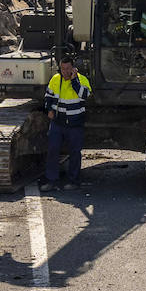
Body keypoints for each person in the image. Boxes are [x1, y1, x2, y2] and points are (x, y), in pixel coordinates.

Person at [41, 56, 91, 192]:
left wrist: (74, 80)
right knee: (52, 150)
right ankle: (51, 181)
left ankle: (73, 181)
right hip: (58, 122)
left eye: (68, 69)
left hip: (75, 124)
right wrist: (49, 110)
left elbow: (85, 95)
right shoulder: (56, 79)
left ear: (73, 68)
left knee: (75, 152)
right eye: (63, 69)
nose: (65, 72)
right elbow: (48, 97)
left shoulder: (82, 80)